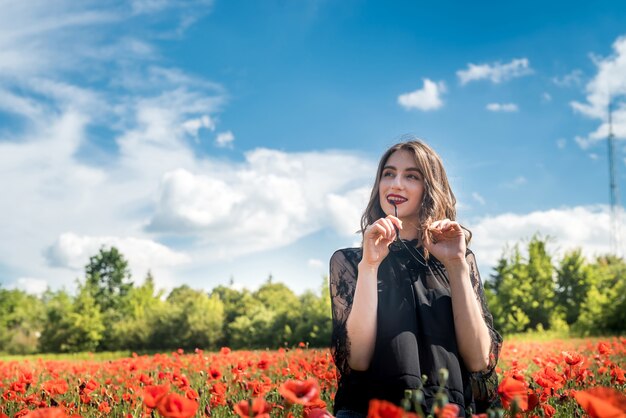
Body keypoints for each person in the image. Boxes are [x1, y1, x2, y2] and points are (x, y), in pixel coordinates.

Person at [329, 139, 502, 417]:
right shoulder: (350, 262)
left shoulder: (458, 258)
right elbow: (357, 360)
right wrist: (370, 264)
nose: (396, 184)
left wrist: (456, 263)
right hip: (374, 410)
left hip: (448, 410)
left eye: (411, 176)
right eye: (389, 173)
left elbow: (480, 359)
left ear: (430, 187)